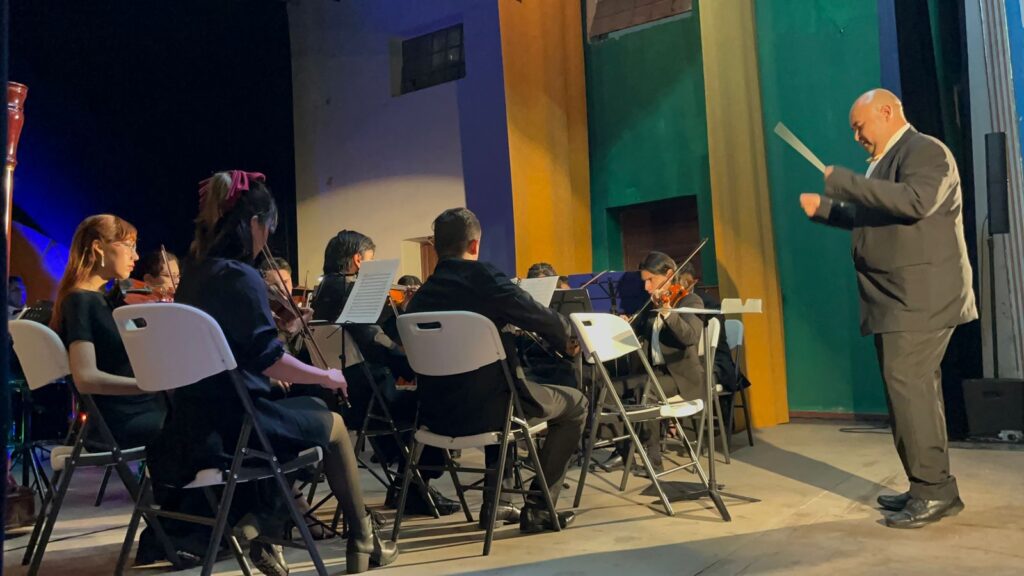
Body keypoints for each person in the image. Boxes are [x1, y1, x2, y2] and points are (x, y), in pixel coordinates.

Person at [147, 171, 397, 574]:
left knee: (306, 413)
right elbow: (269, 361)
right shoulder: (240, 277)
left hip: (192, 421)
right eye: (269, 227)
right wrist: (327, 375)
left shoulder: (194, 273)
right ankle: (361, 539)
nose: (268, 238)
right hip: (236, 425)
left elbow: (237, 347)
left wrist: (285, 330)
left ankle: (258, 526)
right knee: (332, 424)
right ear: (254, 224)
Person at [800, 88, 977, 529]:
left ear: (886, 111)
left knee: (910, 391)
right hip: (898, 298)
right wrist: (827, 210)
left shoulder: (925, 151)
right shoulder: (885, 163)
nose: (856, 136)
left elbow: (916, 202)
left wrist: (843, 182)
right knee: (908, 393)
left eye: (859, 126)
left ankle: (933, 490)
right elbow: (875, 216)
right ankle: (927, 486)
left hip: (921, 297)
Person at [406, 207, 587, 533]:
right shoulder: (484, 278)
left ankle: (496, 502)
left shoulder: (420, 299)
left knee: (492, 381)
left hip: (434, 416)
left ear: (436, 246)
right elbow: (535, 313)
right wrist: (567, 338)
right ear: (474, 245)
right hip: (492, 410)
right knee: (576, 404)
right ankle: (539, 508)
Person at [311, 230, 459, 516]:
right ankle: (411, 488)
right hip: (365, 395)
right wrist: (414, 361)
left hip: (340, 396)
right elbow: (375, 342)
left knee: (408, 405)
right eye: (370, 259)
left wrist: (397, 310)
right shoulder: (350, 289)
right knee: (433, 405)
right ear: (358, 259)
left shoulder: (324, 291)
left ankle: (405, 486)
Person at [50, 215, 167, 448]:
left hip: (137, 411)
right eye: (129, 246)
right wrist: (147, 384)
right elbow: (85, 378)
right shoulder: (79, 301)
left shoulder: (102, 300)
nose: (135, 256)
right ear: (98, 247)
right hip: (122, 420)